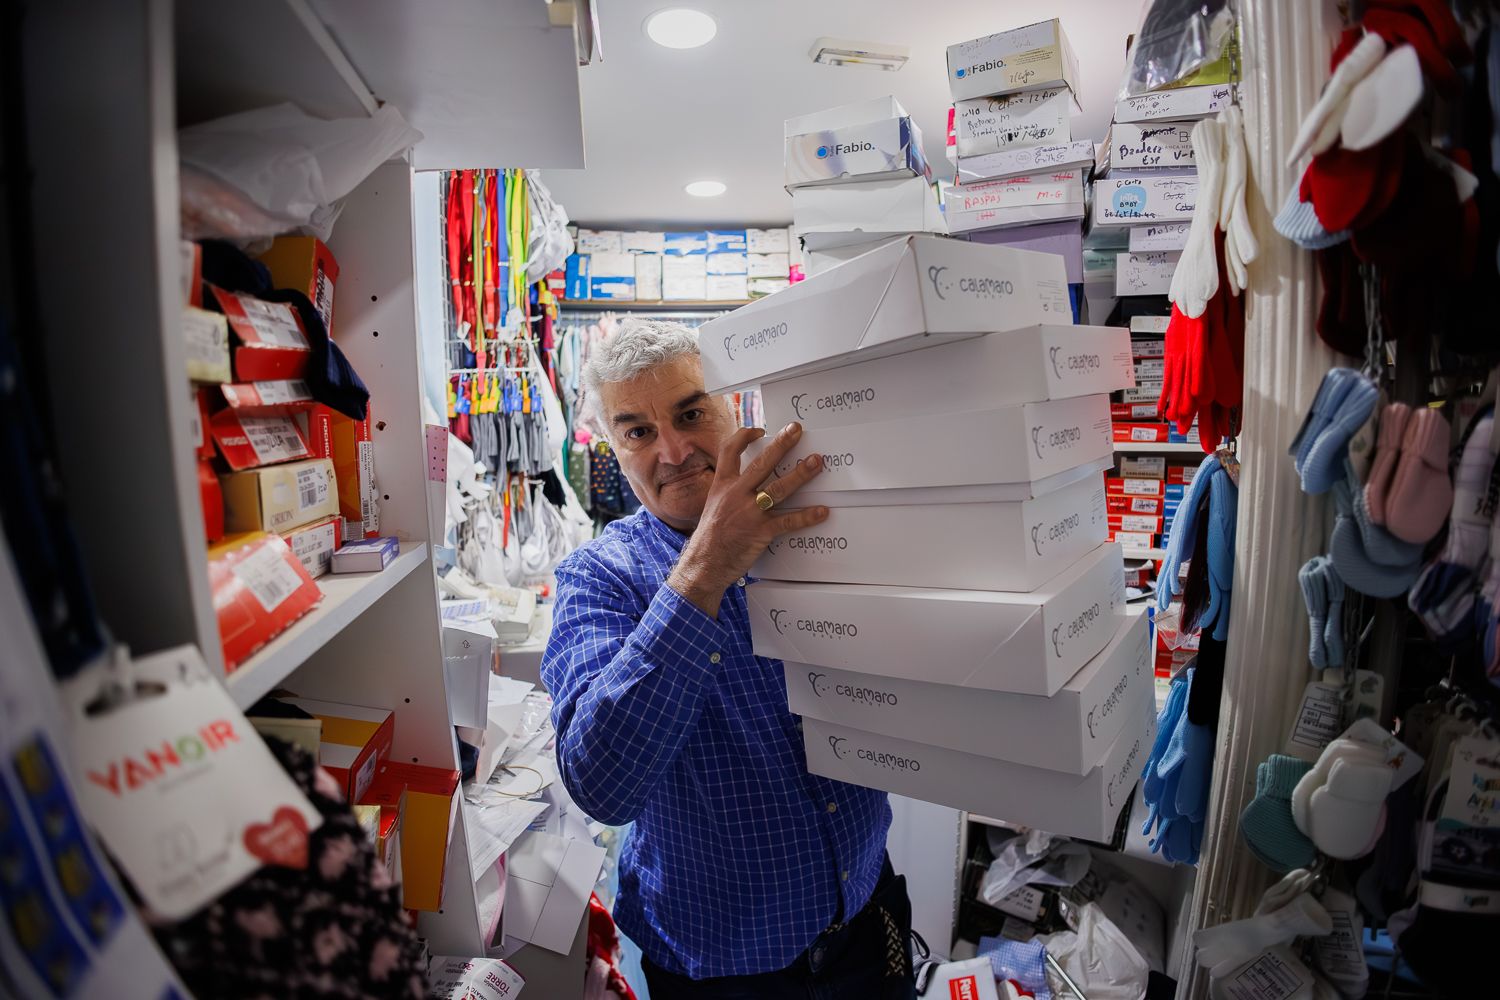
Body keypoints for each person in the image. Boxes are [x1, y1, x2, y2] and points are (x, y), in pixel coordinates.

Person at [542, 319, 918, 999]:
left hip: (864, 910)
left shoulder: (818, 522)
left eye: (691, 413)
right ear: (614, 448)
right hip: (722, 967)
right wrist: (706, 569)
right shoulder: (598, 578)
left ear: (734, 408)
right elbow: (600, 784)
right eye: (639, 431)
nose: (674, 451)